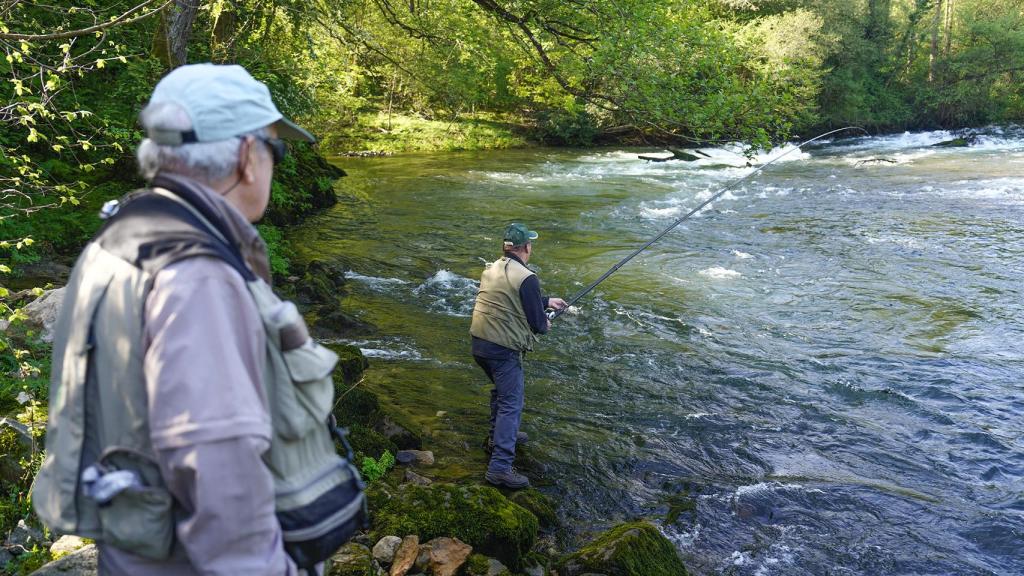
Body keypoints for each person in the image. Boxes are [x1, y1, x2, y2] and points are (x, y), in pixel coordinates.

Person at [32, 64, 330, 575]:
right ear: (247, 157)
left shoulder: (121, 238)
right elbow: (219, 471)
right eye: (276, 150)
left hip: (131, 555)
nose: (275, 165)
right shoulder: (198, 277)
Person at [469, 223, 567, 489]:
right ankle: (500, 468)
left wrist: (546, 300)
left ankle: (497, 438)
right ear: (527, 247)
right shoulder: (527, 277)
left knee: (502, 394)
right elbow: (538, 325)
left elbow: (507, 296)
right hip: (502, 350)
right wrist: (545, 322)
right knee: (511, 404)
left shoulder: (492, 268)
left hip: (479, 344)